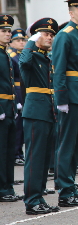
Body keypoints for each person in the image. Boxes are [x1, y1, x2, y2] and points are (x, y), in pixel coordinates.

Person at [51, 0, 78, 207]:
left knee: (76, 144)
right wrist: (61, 98)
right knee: (67, 144)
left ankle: (71, 187)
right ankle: (65, 191)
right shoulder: (65, 35)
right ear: (70, 12)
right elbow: (58, 68)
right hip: (70, 94)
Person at [20, 18, 60, 214]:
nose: (50, 37)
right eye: (46, 34)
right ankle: (31, 200)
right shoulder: (31, 55)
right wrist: (30, 42)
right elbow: (24, 62)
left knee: (44, 158)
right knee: (35, 158)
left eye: (52, 35)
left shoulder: (46, 57)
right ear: (36, 36)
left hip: (47, 111)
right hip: (35, 112)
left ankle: (39, 196)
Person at [0, 14, 20, 202]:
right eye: (4, 31)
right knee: (1, 150)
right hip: (1, 108)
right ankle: (2, 188)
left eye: (9, 31)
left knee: (9, 150)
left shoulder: (5, 53)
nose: (8, 34)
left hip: (9, 106)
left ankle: (7, 187)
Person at [9, 28, 26, 166]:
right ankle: (15, 154)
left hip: (22, 91)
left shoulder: (21, 55)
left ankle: (19, 152)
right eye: (18, 40)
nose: (21, 42)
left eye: (23, 40)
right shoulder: (11, 56)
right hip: (16, 92)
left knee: (21, 126)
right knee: (17, 126)